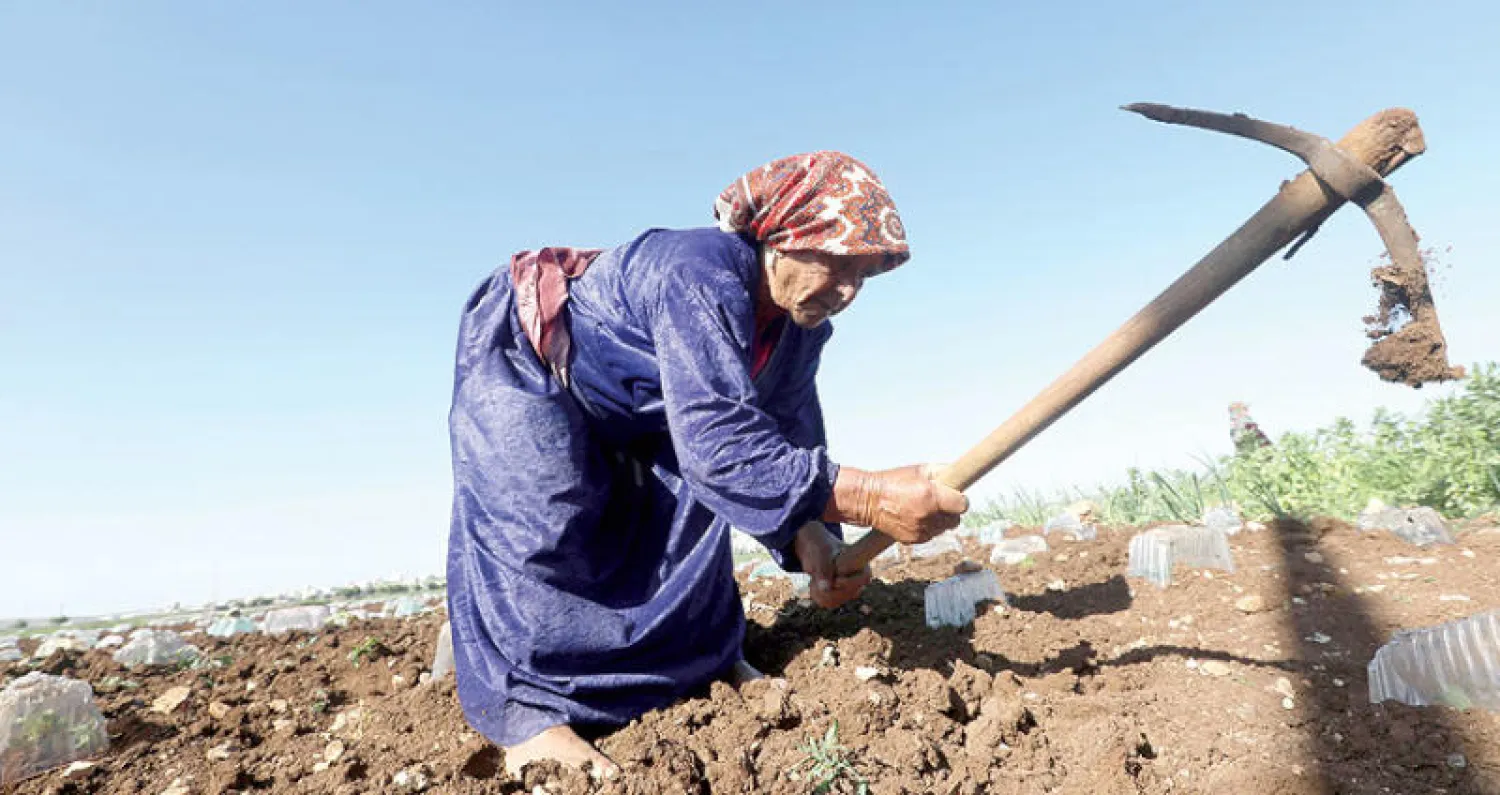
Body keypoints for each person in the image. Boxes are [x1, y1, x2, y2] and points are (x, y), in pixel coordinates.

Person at [444, 151, 969, 778]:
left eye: (864, 276)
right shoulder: (699, 273)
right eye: (835, 265)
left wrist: (816, 544)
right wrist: (872, 496)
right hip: (533, 360)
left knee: (690, 513)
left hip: (652, 402)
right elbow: (721, 445)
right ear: (780, 240)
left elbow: (783, 433)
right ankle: (530, 719)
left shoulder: (800, 331)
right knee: (544, 520)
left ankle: (705, 661)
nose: (848, 291)